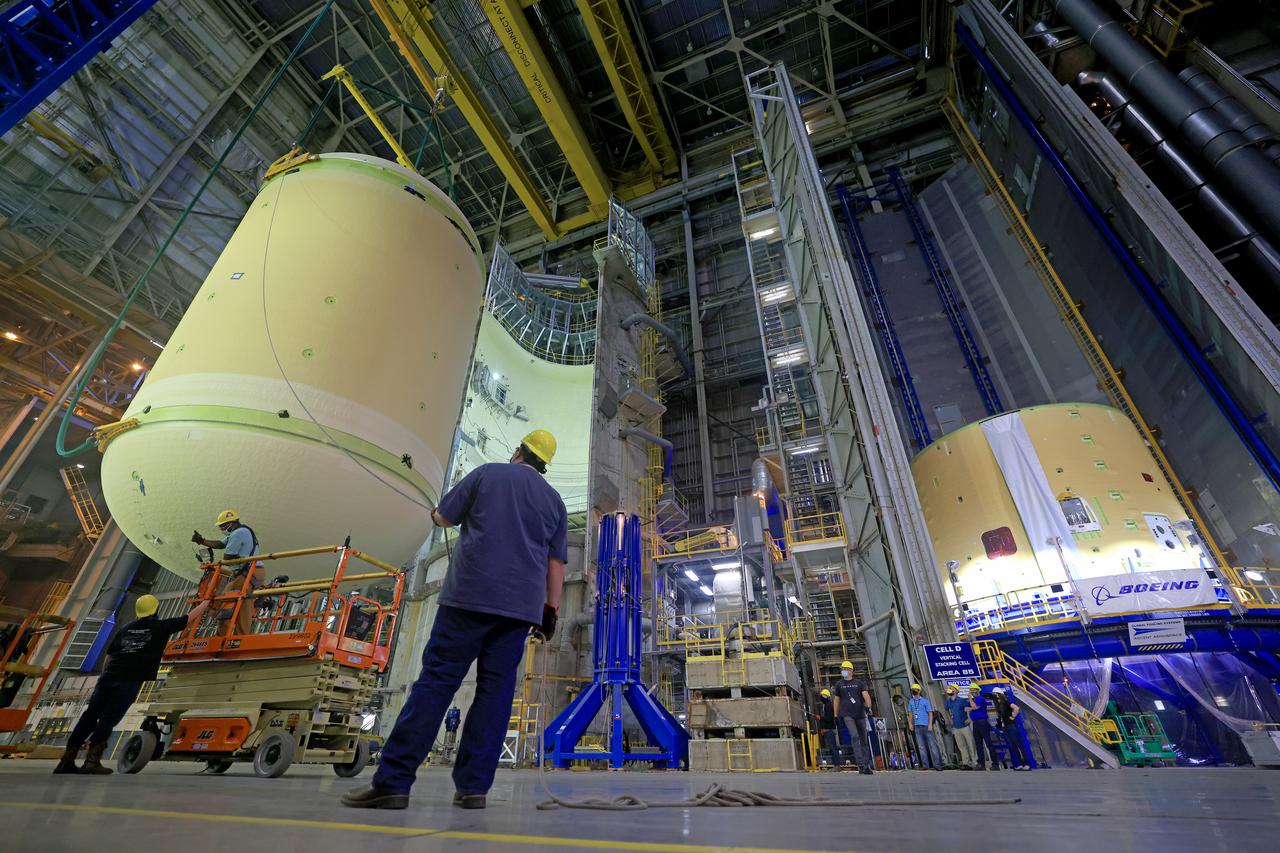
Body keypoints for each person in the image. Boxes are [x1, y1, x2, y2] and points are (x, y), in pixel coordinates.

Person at [342, 429, 567, 811]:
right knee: (495, 697)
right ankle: (473, 789)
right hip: (518, 612)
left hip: (468, 599)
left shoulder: (486, 474)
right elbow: (556, 563)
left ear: (518, 451)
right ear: (543, 464)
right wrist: (550, 612)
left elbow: (443, 518)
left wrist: (435, 511)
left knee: (435, 685)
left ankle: (393, 783)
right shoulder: (554, 502)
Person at [54, 594, 208, 775]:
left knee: (89, 717)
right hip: (127, 682)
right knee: (108, 719)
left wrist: (105, 676)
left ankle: (66, 760)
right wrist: (206, 602)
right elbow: (188, 618)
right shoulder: (159, 627)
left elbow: (110, 655)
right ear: (156, 610)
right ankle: (91, 762)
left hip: (107, 679)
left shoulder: (126, 628)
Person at [193, 510, 262, 637]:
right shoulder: (242, 530)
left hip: (248, 572)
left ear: (232, 523)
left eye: (223, 526)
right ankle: (240, 636)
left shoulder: (238, 533)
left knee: (224, 599)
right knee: (245, 602)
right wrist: (202, 540)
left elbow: (227, 557)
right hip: (253, 572)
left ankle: (222, 636)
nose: (222, 529)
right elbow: (221, 544)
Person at [832, 660, 874, 774]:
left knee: (864, 739)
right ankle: (860, 764)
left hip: (860, 714)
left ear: (851, 671)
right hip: (847, 715)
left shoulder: (859, 683)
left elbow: (866, 696)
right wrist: (836, 715)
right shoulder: (839, 685)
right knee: (854, 736)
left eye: (845, 668)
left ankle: (866, 765)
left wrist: (868, 707)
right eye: (842, 669)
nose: (843, 671)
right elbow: (836, 700)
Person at [992, 687, 1031, 770]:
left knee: (1019, 744)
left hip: (1011, 725)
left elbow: (1016, 708)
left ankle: (1027, 764)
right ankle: (1019, 764)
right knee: (1013, 746)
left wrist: (1012, 717)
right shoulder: (998, 705)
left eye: (996, 694)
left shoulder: (1006, 702)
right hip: (1005, 727)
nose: (995, 696)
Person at [907, 683, 943, 770]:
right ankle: (925, 765)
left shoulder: (924, 701)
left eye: (915, 689)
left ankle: (937, 765)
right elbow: (910, 713)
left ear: (919, 691)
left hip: (926, 725)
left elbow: (930, 713)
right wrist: (910, 723)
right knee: (921, 746)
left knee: (932, 745)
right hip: (917, 726)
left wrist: (930, 724)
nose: (913, 691)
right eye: (913, 689)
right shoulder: (911, 701)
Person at [967, 683, 999, 770]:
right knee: (978, 744)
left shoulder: (981, 699)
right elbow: (966, 709)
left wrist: (970, 700)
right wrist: (972, 706)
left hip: (983, 722)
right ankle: (981, 764)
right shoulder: (973, 700)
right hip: (975, 723)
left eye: (973, 690)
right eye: (971, 690)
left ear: (977, 690)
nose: (971, 692)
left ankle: (995, 764)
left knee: (988, 743)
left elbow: (974, 707)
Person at [945, 683, 976, 769]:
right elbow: (946, 710)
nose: (950, 689)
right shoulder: (948, 701)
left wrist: (970, 718)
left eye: (952, 688)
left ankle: (974, 761)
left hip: (964, 726)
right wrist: (950, 719)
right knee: (961, 746)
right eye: (949, 687)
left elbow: (970, 709)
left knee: (970, 744)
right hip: (956, 727)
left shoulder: (962, 700)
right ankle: (965, 762)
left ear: (956, 691)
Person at [816, 689, 839, 767]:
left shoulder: (828, 706)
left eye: (821, 696)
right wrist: (823, 728)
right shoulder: (826, 705)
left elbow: (829, 718)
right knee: (832, 748)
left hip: (830, 730)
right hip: (828, 729)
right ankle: (835, 765)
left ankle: (837, 765)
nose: (821, 697)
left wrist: (820, 718)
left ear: (825, 696)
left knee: (833, 748)